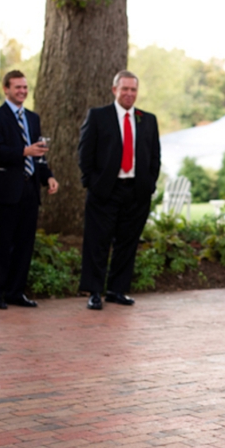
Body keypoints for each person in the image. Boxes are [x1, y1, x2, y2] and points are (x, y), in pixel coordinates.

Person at [78, 70, 161, 310]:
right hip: (105, 190)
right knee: (97, 242)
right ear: (115, 90)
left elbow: (154, 155)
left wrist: (149, 183)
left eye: (133, 89)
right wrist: (91, 182)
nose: (129, 94)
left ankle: (117, 290)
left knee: (127, 243)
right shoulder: (98, 116)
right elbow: (85, 154)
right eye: (124, 89)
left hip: (136, 191)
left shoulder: (148, 119)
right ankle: (94, 291)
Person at [0, 70, 59, 310]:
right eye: (17, 87)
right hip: (5, 190)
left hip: (29, 190)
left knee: (25, 244)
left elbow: (38, 154)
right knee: (0, 244)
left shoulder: (33, 118)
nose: (22, 92)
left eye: (25, 87)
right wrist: (24, 152)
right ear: (5, 89)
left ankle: (16, 292)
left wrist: (48, 177)